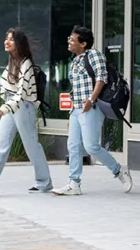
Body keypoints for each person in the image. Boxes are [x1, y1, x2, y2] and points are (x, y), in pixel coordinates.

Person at [0, 29, 55, 197]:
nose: (6, 42)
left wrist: (5, 108)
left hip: (24, 106)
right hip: (11, 105)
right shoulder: (11, 62)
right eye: (6, 38)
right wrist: (7, 105)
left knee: (31, 146)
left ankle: (44, 182)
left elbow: (22, 94)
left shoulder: (26, 64)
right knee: (1, 145)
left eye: (11, 40)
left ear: (19, 44)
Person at [52, 26, 132, 196]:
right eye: (69, 38)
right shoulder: (75, 61)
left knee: (91, 147)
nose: (69, 41)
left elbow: (101, 78)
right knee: (73, 146)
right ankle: (74, 183)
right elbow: (77, 88)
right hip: (77, 109)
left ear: (83, 43)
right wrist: (72, 112)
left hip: (91, 107)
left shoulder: (94, 55)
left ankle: (119, 171)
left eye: (73, 40)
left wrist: (91, 99)